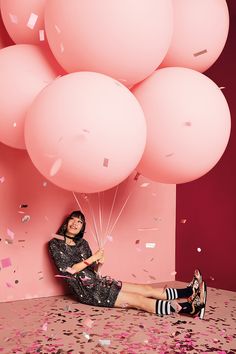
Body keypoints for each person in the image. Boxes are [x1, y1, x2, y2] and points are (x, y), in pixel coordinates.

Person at [48, 210, 207, 319]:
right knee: (139, 301)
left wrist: (99, 264)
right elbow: (68, 270)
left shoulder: (83, 243)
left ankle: (188, 290)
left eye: (80, 221)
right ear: (67, 221)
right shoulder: (54, 244)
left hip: (101, 282)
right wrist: (93, 257)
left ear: (83, 227)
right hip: (89, 292)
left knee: (147, 289)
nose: (75, 223)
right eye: (73, 219)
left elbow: (92, 272)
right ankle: (190, 308)